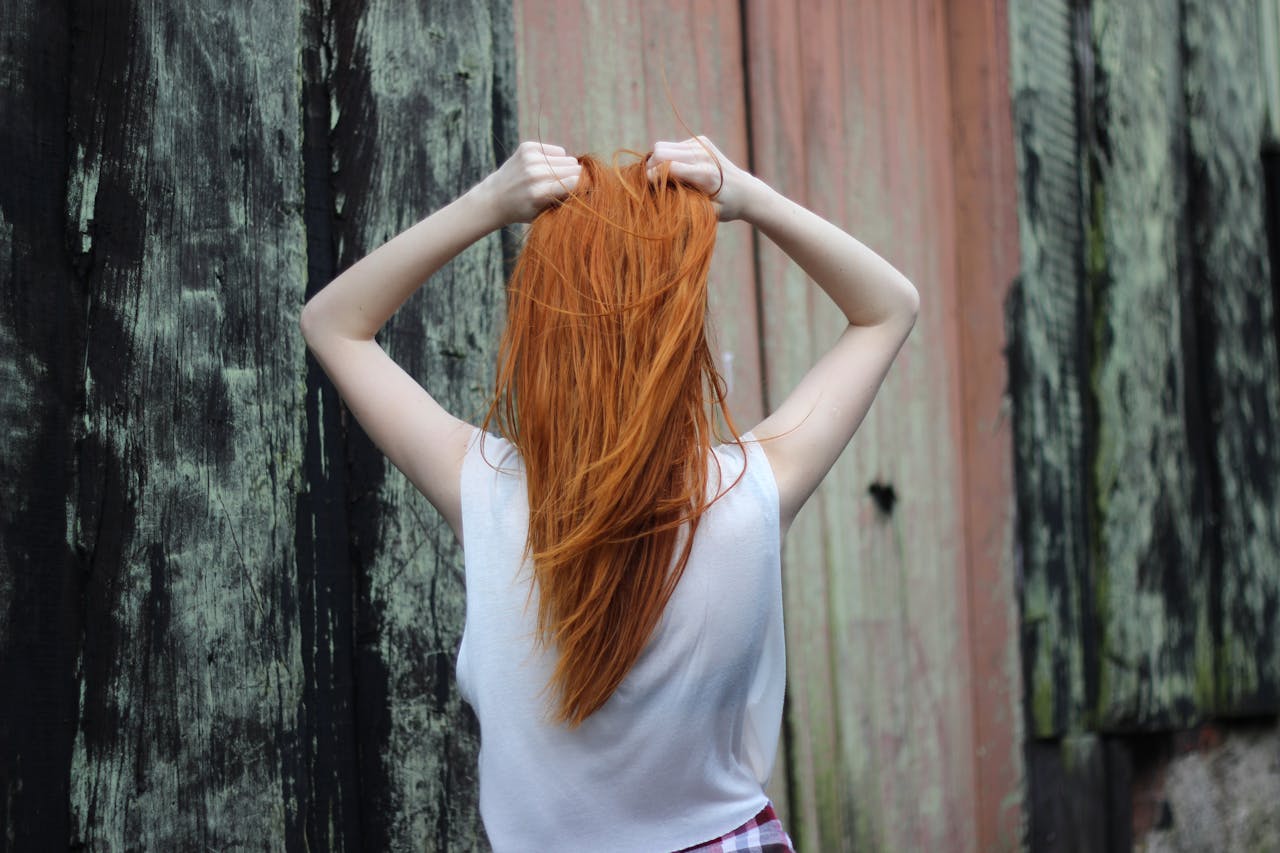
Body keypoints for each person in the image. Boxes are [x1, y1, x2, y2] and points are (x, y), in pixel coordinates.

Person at [300, 136, 919, 852]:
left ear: (538, 334)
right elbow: (888, 307)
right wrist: (751, 198)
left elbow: (333, 323)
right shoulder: (750, 492)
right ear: (682, 344)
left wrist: (489, 204)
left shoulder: (487, 492)